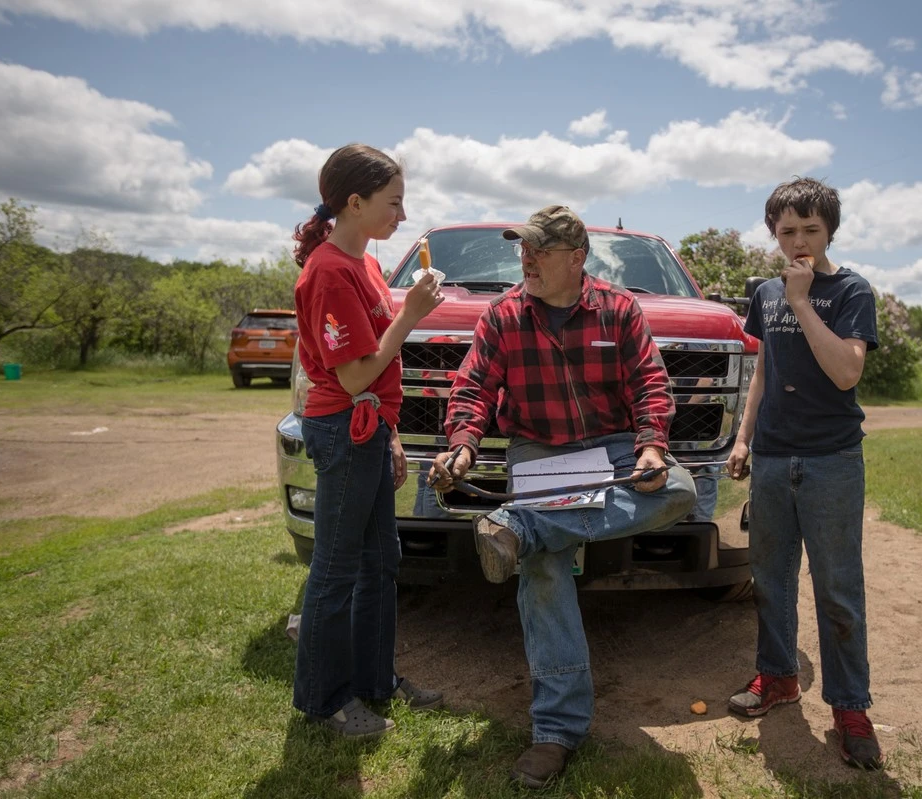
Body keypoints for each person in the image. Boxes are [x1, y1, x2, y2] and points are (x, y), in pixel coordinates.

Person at [428, 205, 696, 788]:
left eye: (539, 250)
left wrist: (651, 447)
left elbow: (650, 381)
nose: (525, 258)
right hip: (541, 451)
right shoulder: (503, 316)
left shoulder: (620, 310)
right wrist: (464, 447)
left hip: (615, 448)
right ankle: (556, 731)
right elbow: (472, 386)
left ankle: (523, 527)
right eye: (523, 248)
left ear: (577, 259)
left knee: (679, 488)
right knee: (545, 568)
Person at [725, 177, 884, 769]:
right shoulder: (766, 292)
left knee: (838, 589)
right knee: (770, 577)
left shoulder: (850, 291)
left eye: (810, 231)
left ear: (829, 232)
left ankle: (850, 707)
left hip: (831, 460)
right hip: (771, 456)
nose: (798, 242)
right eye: (786, 231)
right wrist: (743, 438)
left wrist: (801, 300)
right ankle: (778, 678)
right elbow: (764, 370)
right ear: (773, 233)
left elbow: (847, 372)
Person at [290, 143, 445, 739]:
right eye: (394, 203)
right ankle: (325, 701)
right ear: (354, 203)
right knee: (336, 570)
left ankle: (377, 682)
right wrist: (412, 316)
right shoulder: (329, 273)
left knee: (381, 562)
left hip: (371, 429)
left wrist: (391, 434)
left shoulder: (368, 265)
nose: (401, 217)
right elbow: (355, 374)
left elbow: (373, 378)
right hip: (343, 430)